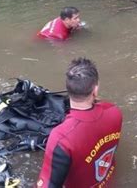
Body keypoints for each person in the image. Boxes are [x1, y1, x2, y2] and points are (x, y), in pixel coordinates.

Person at [36, 58, 123, 188]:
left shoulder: (61, 138)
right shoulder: (114, 112)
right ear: (95, 90)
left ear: (68, 89)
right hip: (109, 180)